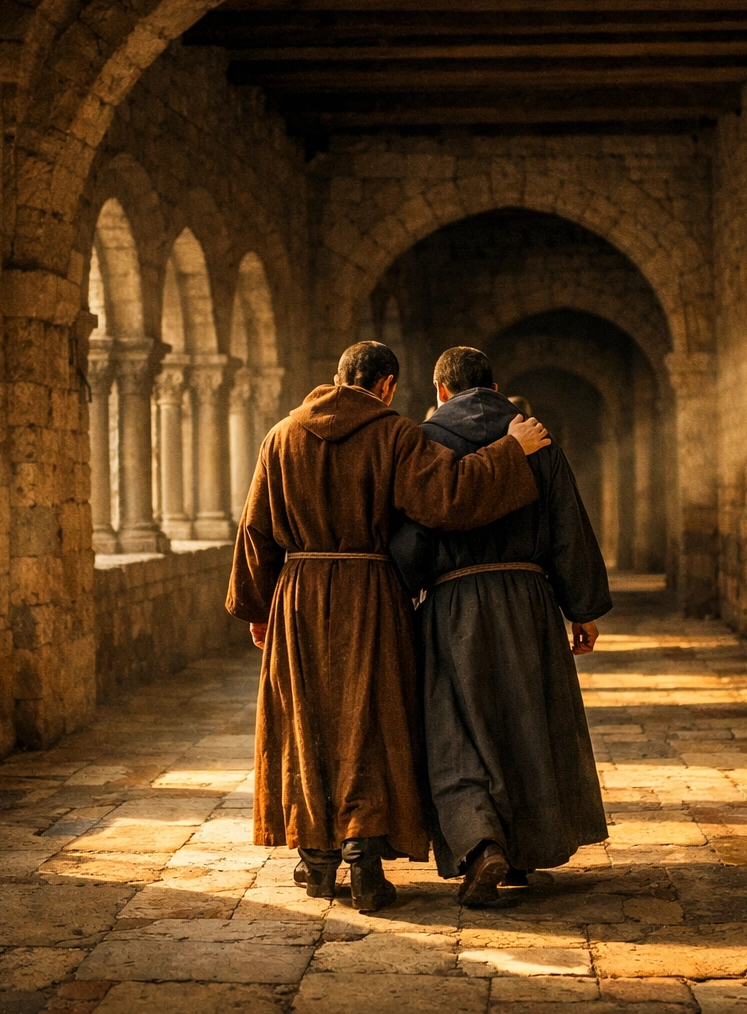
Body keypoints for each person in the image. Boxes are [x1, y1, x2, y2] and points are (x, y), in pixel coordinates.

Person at [227, 341, 554, 912]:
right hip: (371, 593)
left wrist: (258, 610)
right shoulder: (396, 435)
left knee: (307, 721)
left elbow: (255, 532)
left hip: (298, 597)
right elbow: (449, 498)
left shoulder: (280, 436)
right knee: (368, 721)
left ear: (337, 377)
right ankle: (364, 863)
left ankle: (317, 860)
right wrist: (510, 452)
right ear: (387, 386)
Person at [391, 346, 611, 906]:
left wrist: (404, 589)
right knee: (525, 723)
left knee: (456, 726)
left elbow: (412, 534)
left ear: (440, 391)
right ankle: (520, 852)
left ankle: (480, 844)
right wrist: (580, 607)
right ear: (494, 385)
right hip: (529, 601)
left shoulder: (425, 441)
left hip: (453, 602)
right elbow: (567, 521)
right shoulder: (534, 437)